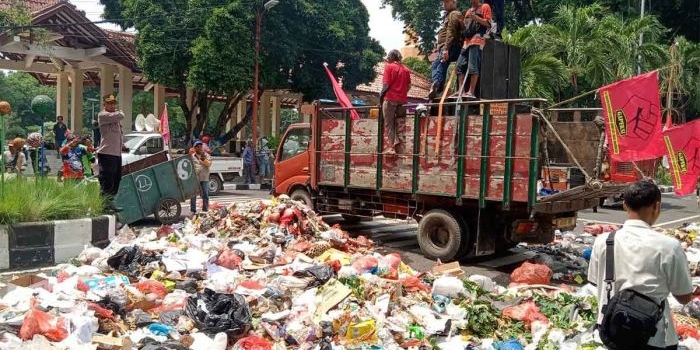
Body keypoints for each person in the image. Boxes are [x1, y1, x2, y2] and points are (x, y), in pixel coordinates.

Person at [588, 181, 697, 350]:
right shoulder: (669, 247)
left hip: (610, 334)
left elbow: (596, 282)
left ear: (624, 205)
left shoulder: (603, 241)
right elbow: (684, 297)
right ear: (657, 206)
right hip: (653, 338)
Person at [455, 0, 494, 99]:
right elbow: (466, 27)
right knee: (459, 66)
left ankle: (471, 92)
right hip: (466, 41)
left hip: (477, 39)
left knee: (473, 65)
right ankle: (461, 90)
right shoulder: (468, 11)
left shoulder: (485, 7)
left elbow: (489, 24)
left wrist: (476, 17)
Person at [429, 0, 465, 100]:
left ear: (453, 3)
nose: (444, 4)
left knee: (441, 65)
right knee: (435, 66)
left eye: (446, 2)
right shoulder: (448, 15)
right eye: (443, 3)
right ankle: (436, 86)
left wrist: (446, 49)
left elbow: (451, 32)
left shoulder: (454, 14)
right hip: (446, 47)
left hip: (451, 46)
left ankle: (438, 88)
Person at [380, 49, 412, 155]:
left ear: (391, 57)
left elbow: (386, 85)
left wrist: (381, 97)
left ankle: (393, 147)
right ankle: (405, 145)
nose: (387, 59)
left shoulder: (389, 67)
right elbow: (408, 86)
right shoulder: (406, 70)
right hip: (402, 101)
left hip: (390, 99)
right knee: (400, 122)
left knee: (389, 124)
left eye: (388, 57)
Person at [97, 94, 125, 211]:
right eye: (109, 103)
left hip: (116, 153)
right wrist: (119, 112)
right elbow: (121, 115)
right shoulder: (103, 115)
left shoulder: (115, 119)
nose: (112, 105)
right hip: (107, 152)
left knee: (116, 178)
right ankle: (104, 204)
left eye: (113, 103)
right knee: (107, 178)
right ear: (104, 104)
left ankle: (110, 202)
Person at [190, 140, 212, 214]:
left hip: (204, 178)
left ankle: (205, 209)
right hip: (195, 178)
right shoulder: (192, 157)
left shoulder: (206, 155)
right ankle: (193, 210)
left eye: (200, 147)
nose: (199, 148)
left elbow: (209, 164)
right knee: (193, 195)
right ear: (195, 148)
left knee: (205, 194)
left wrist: (203, 159)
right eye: (198, 147)